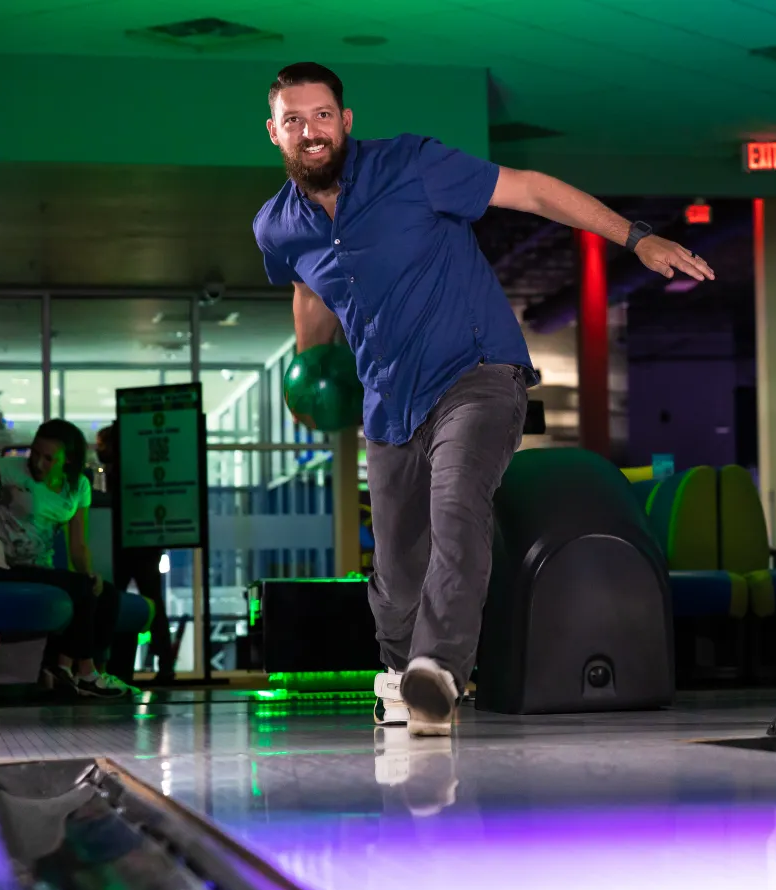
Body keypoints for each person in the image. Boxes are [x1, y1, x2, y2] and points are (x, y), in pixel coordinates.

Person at [251, 62, 714, 737]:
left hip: (476, 374)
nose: (310, 130)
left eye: (322, 115)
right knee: (396, 571)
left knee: (457, 506)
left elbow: (531, 191)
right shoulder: (276, 226)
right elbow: (309, 291)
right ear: (274, 133)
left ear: (345, 121)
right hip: (388, 402)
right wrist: (306, 370)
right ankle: (401, 674)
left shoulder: (413, 165)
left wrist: (637, 237)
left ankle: (438, 672)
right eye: (294, 119)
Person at [0, 453, 126, 699]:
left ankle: (80, 669)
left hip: (3, 572)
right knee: (82, 587)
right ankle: (78, 670)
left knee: (96, 589)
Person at [96, 425, 174, 682]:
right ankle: (165, 665)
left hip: (126, 545)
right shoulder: (140, 468)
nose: (99, 450)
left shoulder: (118, 472)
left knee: (113, 601)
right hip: (144, 544)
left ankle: (110, 664)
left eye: (102, 445)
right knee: (154, 603)